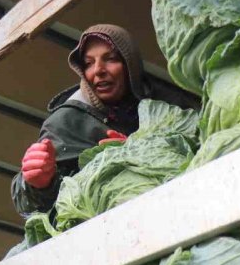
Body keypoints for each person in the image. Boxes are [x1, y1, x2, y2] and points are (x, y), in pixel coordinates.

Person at [11, 23, 151, 216]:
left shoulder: (165, 106)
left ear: (130, 65)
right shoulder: (66, 121)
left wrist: (139, 153)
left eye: (110, 59)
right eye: (88, 63)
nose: (98, 70)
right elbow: (29, 204)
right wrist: (38, 184)